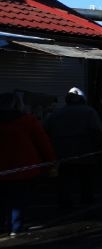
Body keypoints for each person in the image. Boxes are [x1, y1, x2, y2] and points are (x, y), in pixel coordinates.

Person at [0, 91, 56, 235]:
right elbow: (43, 143)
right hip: (23, 168)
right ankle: (16, 228)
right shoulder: (27, 120)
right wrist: (51, 162)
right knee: (19, 200)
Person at [43, 88, 102, 208]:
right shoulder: (89, 112)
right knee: (86, 179)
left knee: (65, 179)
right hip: (85, 151)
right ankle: (87, 201)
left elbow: (46, 131)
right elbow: (97, 131)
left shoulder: (56, 113)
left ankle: (65, 202)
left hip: (62, 153)